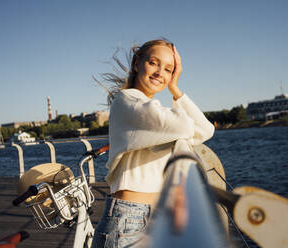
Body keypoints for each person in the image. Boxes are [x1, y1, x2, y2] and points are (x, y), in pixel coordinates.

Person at [92, 39, 214, 248]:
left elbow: (205, 129)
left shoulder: (149, 110)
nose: (160, 73)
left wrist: (175, 88)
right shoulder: (126, 101)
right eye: (154, 63)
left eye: (168, 69)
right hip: (128, 218)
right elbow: (184, 125)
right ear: (138, 62)